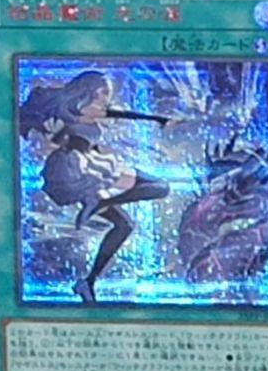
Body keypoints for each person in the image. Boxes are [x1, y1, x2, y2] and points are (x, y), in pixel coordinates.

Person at [19, 70, 172, 303]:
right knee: (159, 187)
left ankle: (88, 282)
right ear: (87, 90)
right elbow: (43, 132)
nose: (104, 99)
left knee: (125, 225)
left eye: (106, 94)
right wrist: (42, 137)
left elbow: (122, 115)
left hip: (86, 168)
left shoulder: (82, 111)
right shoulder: (74, 112)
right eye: (101, 93)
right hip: (78, 170)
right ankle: (101, 201)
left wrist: (158, 119)